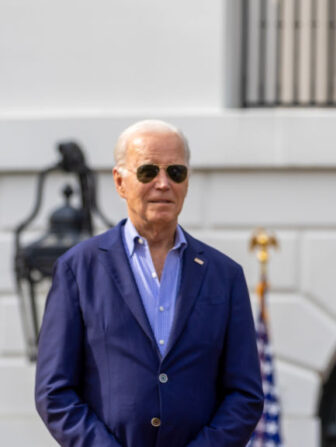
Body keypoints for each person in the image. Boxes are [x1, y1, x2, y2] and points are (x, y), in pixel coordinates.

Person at [35, 120, 265, 446]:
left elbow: (245, 394)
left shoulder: (224, 275)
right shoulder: (78, 269)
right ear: (120, 182)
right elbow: (54, 391)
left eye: (176, 172)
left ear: (187, 181)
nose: (162, 183)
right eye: (147, 172)